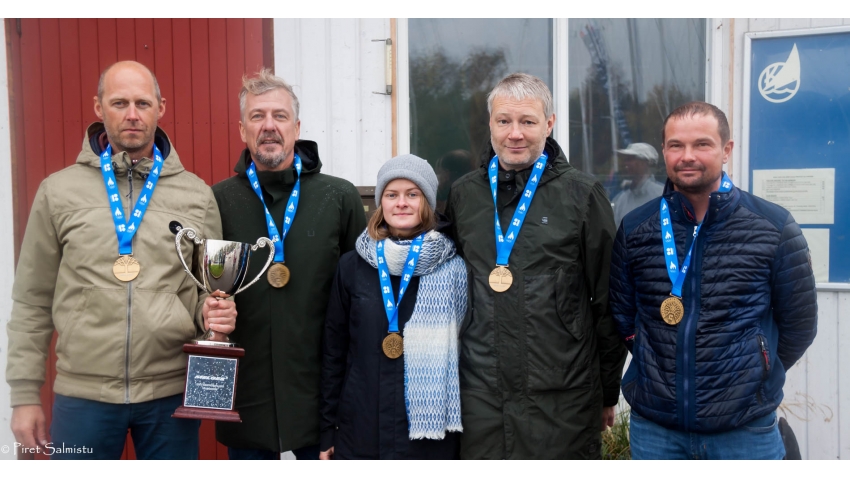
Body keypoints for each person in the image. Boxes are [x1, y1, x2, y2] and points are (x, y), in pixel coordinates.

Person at [6, 60, 235, 459]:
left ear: (161, 107)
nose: (132, 114)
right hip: (83, 396)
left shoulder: (196, 195)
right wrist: (25, 395)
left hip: (169, 396)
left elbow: (205, 290)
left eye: (143, 103)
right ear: (98, 108)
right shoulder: (58, 192)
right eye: (119, 103)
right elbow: (32, 300)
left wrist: (215, 314)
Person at [609, 101, 818, 459]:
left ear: (726, 150)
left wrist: (755, 369)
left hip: (744, 429)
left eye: (702, 144)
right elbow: (623, 312)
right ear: (664, 151)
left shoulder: (773, 227)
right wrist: (654, 360)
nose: (687, 155)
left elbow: (799, 324)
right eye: (676, 145)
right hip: (657, 430)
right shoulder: (635, 227)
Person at [445, 73, 627, 459]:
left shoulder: (582, 194)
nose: (515, 134)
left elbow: (610, 302)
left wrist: (606, 390)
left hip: (562, 398)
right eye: (504, 121)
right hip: (481, 397)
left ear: (549, 124)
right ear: (490, 124)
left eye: (527, 121)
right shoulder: (464, 195)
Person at [212, 68, 367, 460]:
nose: (269, 126)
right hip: (247, 398)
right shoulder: (218, 201)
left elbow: (361, 296)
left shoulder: (339, 197)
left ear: (297, 127)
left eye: (279, 116)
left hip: (322, 398)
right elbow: (205, 292)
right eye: (257, 116)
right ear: (242, 130)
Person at [320, 154, 466, 459]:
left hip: (430, 440)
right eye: (392, 194)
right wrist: (327, 431)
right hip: (360, 431)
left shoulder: (453, 268)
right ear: (380, 202)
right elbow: (334, 351)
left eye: (412, 194)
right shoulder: (352, 266)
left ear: (427, 202)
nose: (401, 203)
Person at [611, 142, 664, 227]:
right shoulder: (620, 200)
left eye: (631, 159)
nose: (626, 163)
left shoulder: (662, 195)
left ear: (645, 162)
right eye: (626, 159)